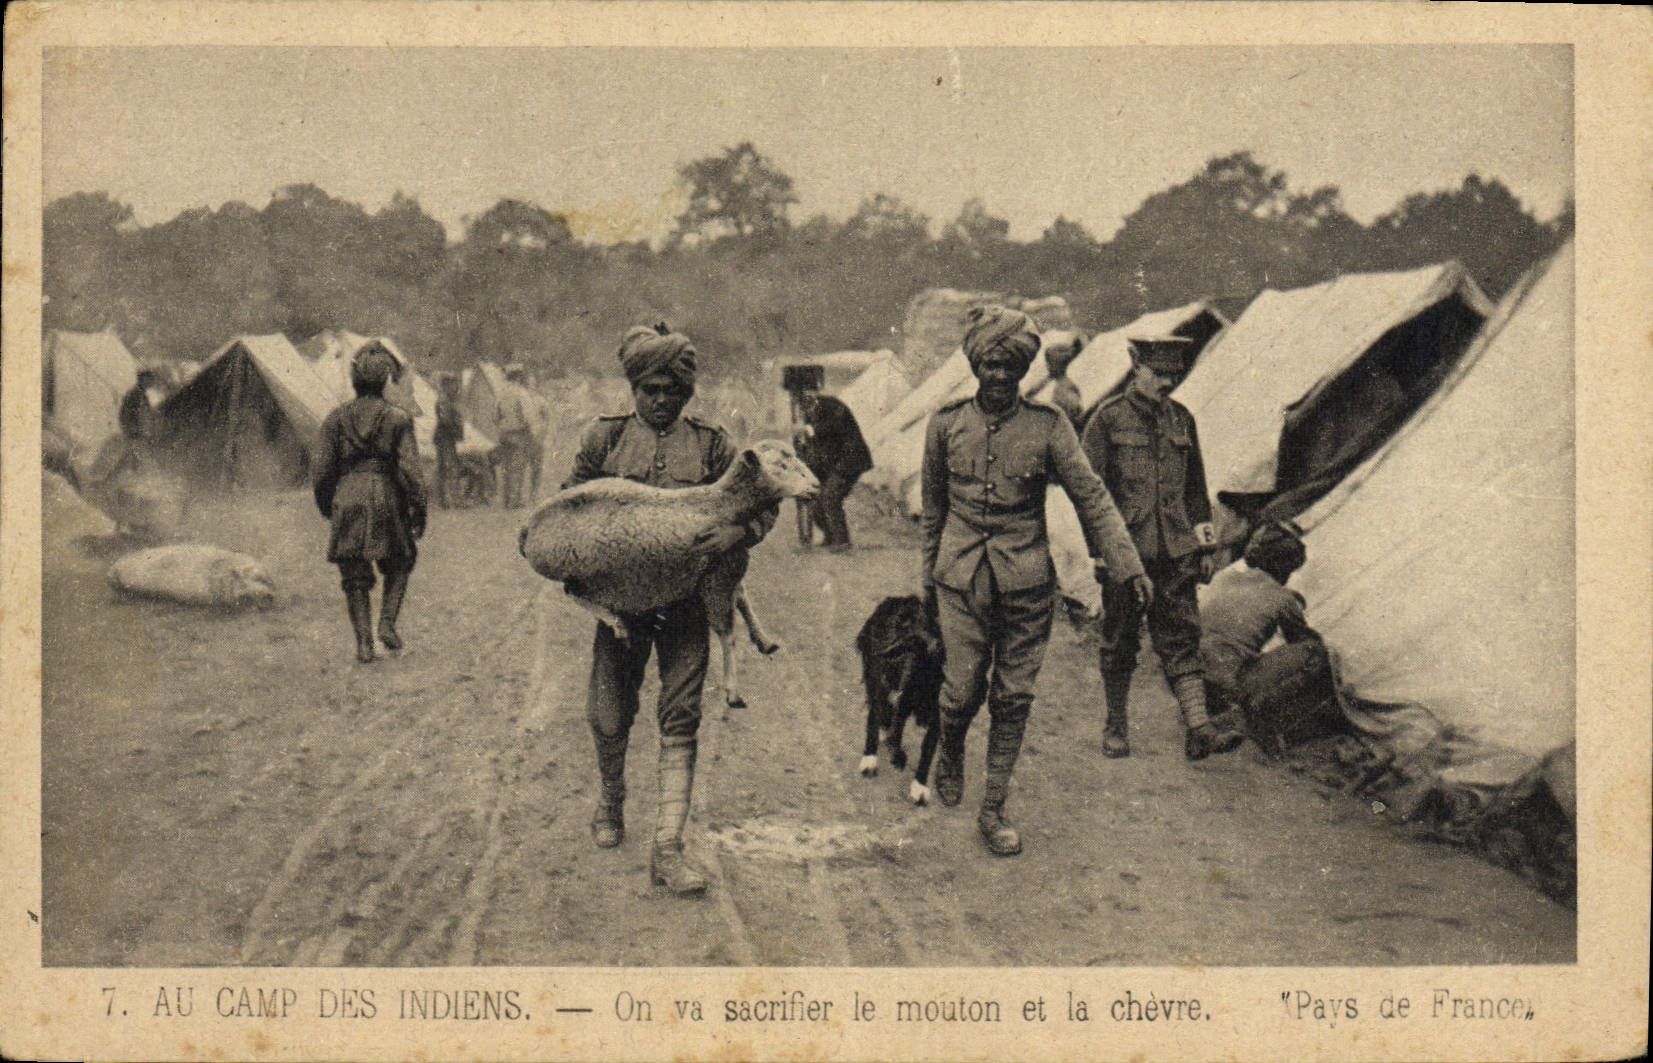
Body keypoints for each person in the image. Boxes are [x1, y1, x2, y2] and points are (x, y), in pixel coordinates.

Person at [921, 305, 1149, 857]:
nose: (999, 376)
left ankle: (993, 807)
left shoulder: (1049, 427)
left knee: (1014, 695)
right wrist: (926, 585)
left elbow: (1092, 496)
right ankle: (949, 746)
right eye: (990, 365)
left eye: (1010, 368)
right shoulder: (946, 424)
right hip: (961, 580)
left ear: (1024, 371)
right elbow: (933, 512)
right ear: (976, 365)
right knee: (960, 691)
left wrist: (1127, 562)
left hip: (1027, 583)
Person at [566, 323, 776, 895]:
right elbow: (568, 507)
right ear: (633, 388)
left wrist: (737, 532)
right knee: (609, 714)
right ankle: (611, 801)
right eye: (650, 390)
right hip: (621, 605)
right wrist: (583, 572)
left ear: (688, 394)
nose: (661, 401)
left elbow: (764, 498)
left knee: (681, 717)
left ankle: (668, 847)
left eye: (673, 392)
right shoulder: (604, 441)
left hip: (687, 604)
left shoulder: (713, 444)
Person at [1081, 336, 1244, 761]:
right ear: (1136, 367)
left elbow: (1196, 489)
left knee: (1181, 636)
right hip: (1126, 553)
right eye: (1158, 373)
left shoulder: (1182, 420)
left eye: (1173, 374)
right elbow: (1087, 494)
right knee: (1120, 639)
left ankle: (1199, 729)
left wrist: (1205, 546)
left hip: (1175, 551)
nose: (1167, 382)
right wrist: (1100, 550)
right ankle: (1116, 725)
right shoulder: (1108, 420)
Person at [313, 342, 428, 664]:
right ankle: (387, 623)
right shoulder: (398, 419)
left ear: (354, 381)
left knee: (353, 573)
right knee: (401, 560)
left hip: (347, 495)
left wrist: (328, 505)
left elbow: (321, 470)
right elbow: (412, 470)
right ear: (385, 381)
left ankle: (364, 643)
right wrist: (419, 508)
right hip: (386, 496)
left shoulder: (335, 419)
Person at [1200, 519, 1341, 753]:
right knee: (1315, 650)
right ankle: (1262, 717)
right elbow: (1302, 640)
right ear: (1285, 568)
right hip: (1221, 684)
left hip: (1189, 670)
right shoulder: (1284, 599)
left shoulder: (1228, 576)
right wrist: (1292, 605)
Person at [795, 387, 873, 552]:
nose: (806, 407)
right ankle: (830, 536)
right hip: (833, 462)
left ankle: (842, 542)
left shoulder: (832, 406)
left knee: (830, 497)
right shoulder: (811, 413)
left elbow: (834, 429)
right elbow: (816, 445)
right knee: (816, 499)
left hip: (850, 460)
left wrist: (812, 431)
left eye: (809, 400)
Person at [495, 364, 536, 508]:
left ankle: (506, 500)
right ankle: (515, 500)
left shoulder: (501, 393)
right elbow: (528, 416)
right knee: (517, 468)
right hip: (518, 433)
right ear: (518, 376)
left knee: (505, 468)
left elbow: (496, 416)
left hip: (504, 433)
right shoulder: (521, 393)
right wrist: (530, 432)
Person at [432, 372, 464, 509]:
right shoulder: (444, 399)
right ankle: (454, 501)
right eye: (453, 384)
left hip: (444, 437)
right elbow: (446, 420)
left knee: (444, 469)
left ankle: (443, 501)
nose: (456, 387)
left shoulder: (446, 399)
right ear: (446, 385)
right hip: (445, 437)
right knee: (450, 468)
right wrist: (456, 431)